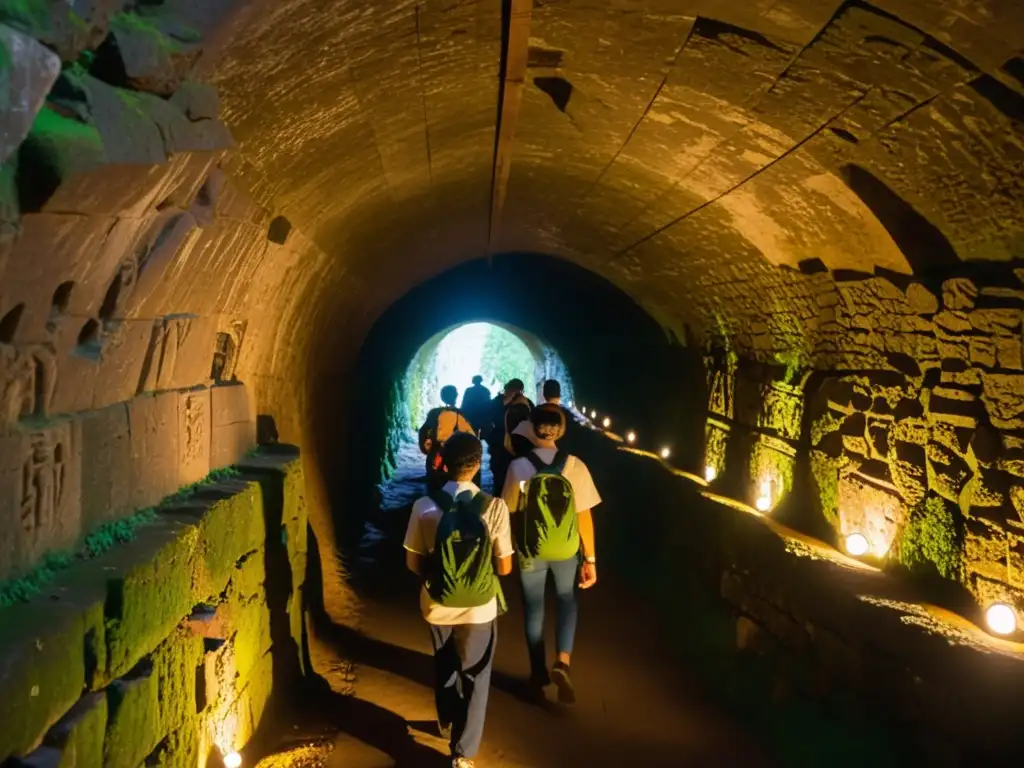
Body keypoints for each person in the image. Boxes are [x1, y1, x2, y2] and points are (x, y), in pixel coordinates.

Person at [404, 432, 513, 768]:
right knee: (476, 676)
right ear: (478, 464)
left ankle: (446, 717)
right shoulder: (495, 507)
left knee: (444, 662)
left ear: (443, 464)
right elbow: (505, 567)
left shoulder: (424, 506)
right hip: (480, 606)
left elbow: (412, 562)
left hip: (437, 604)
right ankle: (462, 754)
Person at [501, 404, 600, 705]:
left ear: (532, 429)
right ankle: (563, 662)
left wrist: (508, 548)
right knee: (567, 600)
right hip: (567, 549)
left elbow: (509, 510)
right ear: (561, 431)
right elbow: (584, 516)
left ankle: (537, 672)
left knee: (533, 607)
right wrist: (591, 560)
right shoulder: (575, 466)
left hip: (531, 548)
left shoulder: (519, 467)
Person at [419, 385, 474, 492]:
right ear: (456, 396)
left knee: (434, 487)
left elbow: (424, 432)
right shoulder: (463, 413)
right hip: (458, 456)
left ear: (442, 397)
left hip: (436, 455)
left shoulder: (434, 413)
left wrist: (426, 449)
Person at [489, 379, 534, 494]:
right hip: (511, 449)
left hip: (506, 448)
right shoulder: (526, 403)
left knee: (502, 481)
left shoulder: (524, 403)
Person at [511, 379, 580, 453]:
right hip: (564, 459)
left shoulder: (535, 412)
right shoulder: (568, 415)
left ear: (544, 394)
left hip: (537, 458)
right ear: (559, 395)